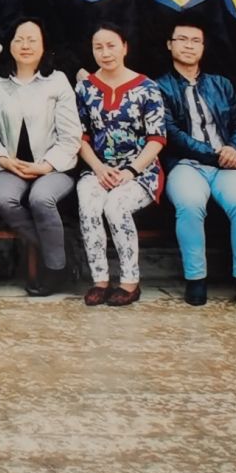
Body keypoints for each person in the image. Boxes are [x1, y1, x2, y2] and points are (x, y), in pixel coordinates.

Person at [153, 18, 236, 308]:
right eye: (182, 39)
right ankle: (196, 278)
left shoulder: (221, 84)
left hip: (227, 164)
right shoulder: (159, 87)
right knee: (190, 205)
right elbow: (171, 134)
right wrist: (216, 155)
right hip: (185, 165)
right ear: (169, 45)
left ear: (203, 47)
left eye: (195, 41)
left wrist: (234, 149)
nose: (189, 46)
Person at [70, 21, 165, 307]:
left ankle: (129, 281)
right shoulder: (85, 88)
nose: (105, 52)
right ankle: (100, 280)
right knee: (89, 203)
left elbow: (157, 138)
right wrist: (98, 168)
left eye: (111, 46)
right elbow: (80, 137)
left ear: (125, 47)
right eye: (98, 47)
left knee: (115, 206)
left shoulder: (147, 87)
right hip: (98, 168)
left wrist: (131, 171)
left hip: (140, 171)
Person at [0, 18, 82, 296]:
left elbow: (71, 136)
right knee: (3, 199)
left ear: (44, 46)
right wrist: (3, 160)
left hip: (54, 167)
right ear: (9, 45)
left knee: (41, 199)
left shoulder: (57, 81)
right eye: (19, 39)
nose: (25, 45)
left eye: (32, 40)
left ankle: (54, 271)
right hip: (11, 166)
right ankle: (60, 254)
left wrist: (46, 166)